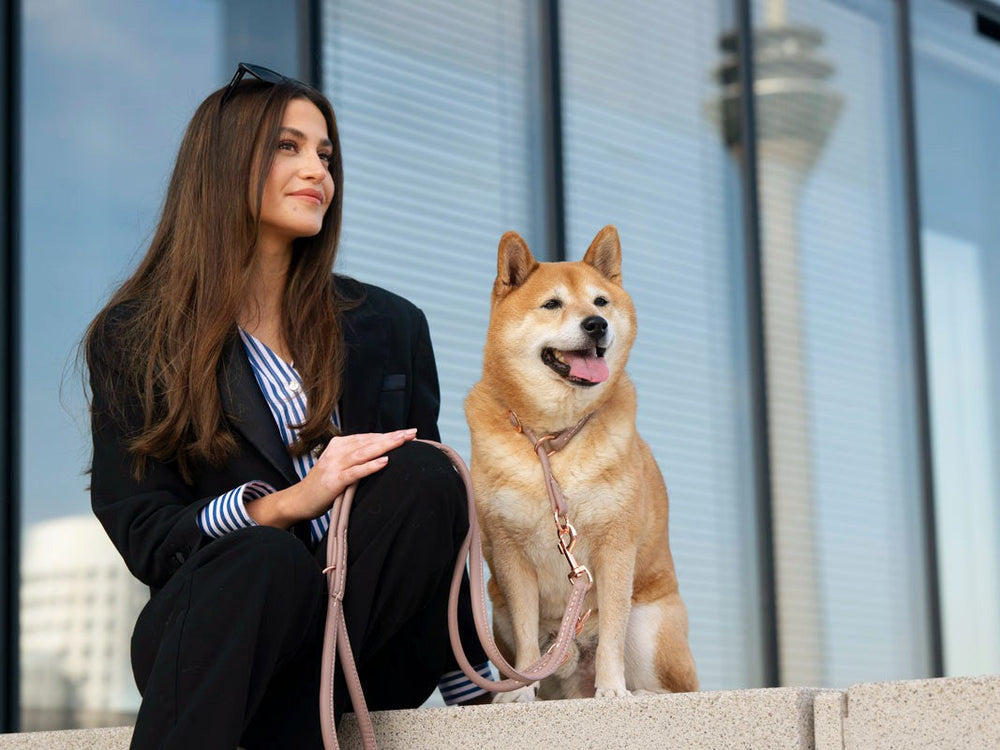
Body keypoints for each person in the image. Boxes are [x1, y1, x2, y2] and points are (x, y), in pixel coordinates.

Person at [85, 63, 492, 749]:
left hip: (361, 646)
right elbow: (149, 536)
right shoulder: (137, 336)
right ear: (222, 165)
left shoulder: (391, 326)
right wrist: (288, 503)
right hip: (215, 638)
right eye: (287, 146)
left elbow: (430, 530)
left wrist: (478, 692)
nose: (318, 172)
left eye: (325, 155)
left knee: (426, 474)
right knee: (264, 560)